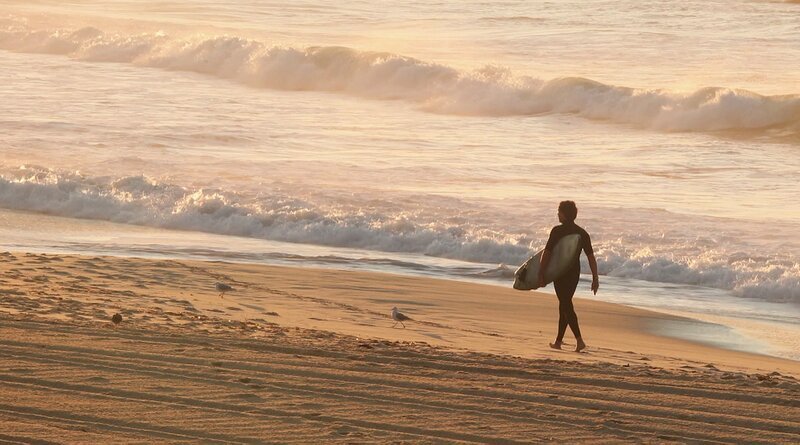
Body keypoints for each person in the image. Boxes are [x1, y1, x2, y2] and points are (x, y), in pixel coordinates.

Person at [538, 200, 598, 352]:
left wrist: (541, 272)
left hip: (560, 272)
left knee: (565, 304)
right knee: (564, 304)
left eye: (559, 212)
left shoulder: (557, 231)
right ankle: (558, 341)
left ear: (564, 214)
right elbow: (591, 257)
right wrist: (595, 278)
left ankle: (579, 340)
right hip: (573, 274)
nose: (557, 214)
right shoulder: (582, 233)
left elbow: (547, 252)